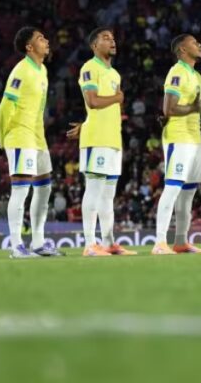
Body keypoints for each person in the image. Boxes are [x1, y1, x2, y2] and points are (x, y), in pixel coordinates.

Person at [72, 28, 136, 257]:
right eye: (105, 38)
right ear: (94, 46)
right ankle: (90, 243)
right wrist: (118, 98)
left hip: (112, 139)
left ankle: (109, 242)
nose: (112, 41)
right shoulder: (90, 68)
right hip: (96, 139)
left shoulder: (115, 74)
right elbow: (92, 101)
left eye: (113, 37)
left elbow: (111, 109)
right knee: (94, 189)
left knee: (108, 195)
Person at [0, 27, 61, 258]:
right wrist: (2, 136)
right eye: (40, 38)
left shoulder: (42, 70)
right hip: (20, 135)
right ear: (29, 47)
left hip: (38, 137)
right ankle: (16, 246)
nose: (46, 40)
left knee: (44, 188)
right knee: (21, 189)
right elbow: (5, 106)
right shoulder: (21, 71)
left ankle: (38, 242)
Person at [153, 34, 201, 255]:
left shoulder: (196, 76)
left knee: (188, 193)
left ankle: (181, 242)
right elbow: (169, 108)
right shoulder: (176, 72)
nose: (199, 44)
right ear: (182, 50)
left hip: (194, 138)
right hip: (178, 137)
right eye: (194, 42)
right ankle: (159, 242)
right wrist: (193, 109)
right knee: (173, 187)